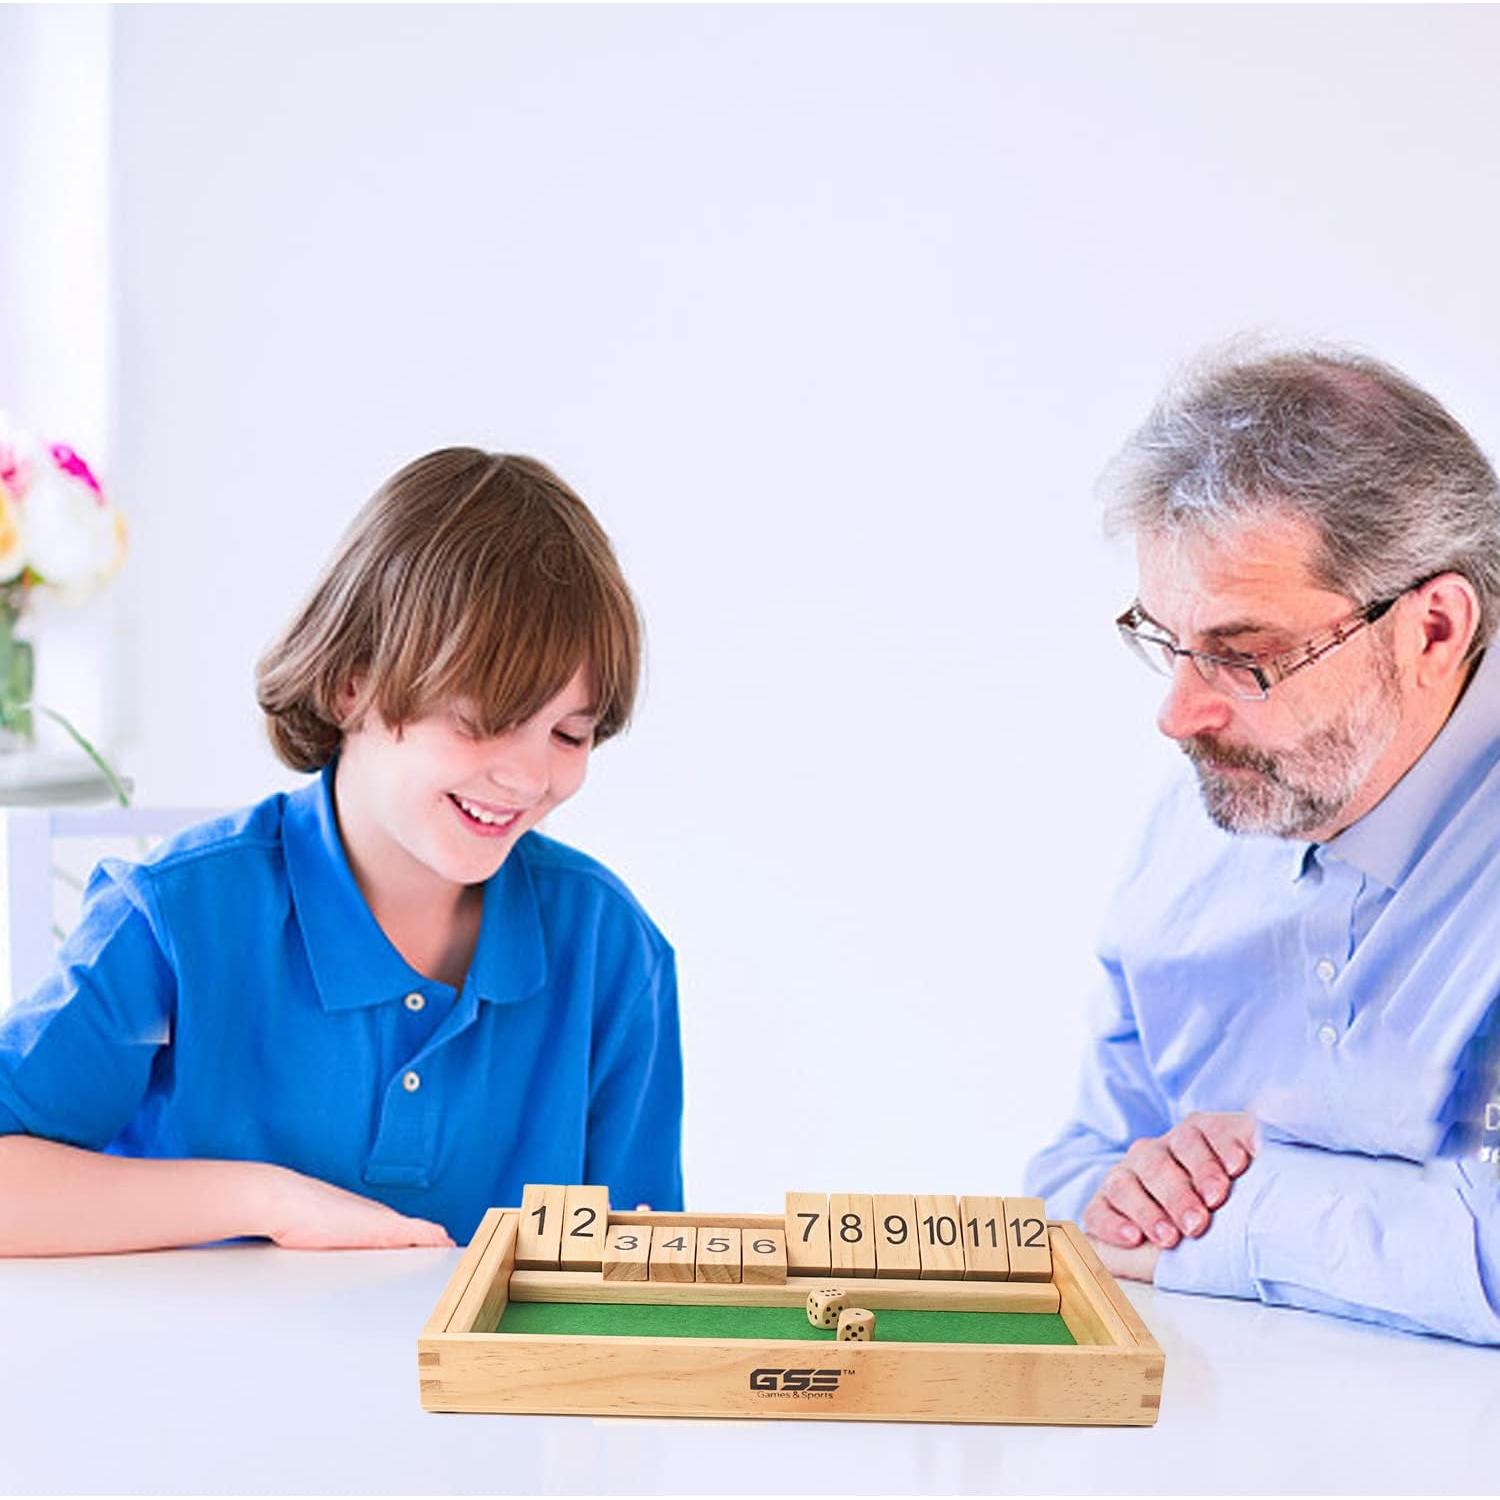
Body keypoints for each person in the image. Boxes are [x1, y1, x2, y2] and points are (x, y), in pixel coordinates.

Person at [0, 448, 683, 1254]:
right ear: (352, 683)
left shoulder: (610, 950)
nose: (528, 777)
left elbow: (639, 1269)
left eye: (569, 734)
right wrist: (266, 1200)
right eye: (485, 721)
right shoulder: (176, 918)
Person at [1025, 346, 1500, 1344]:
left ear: (1434, 629)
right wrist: (1134, 1194)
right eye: (1166, 640)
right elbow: (1078, 1181)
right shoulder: (1205, 817)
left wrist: (1244, 1208)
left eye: (1244, 658)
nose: (1177, 716)